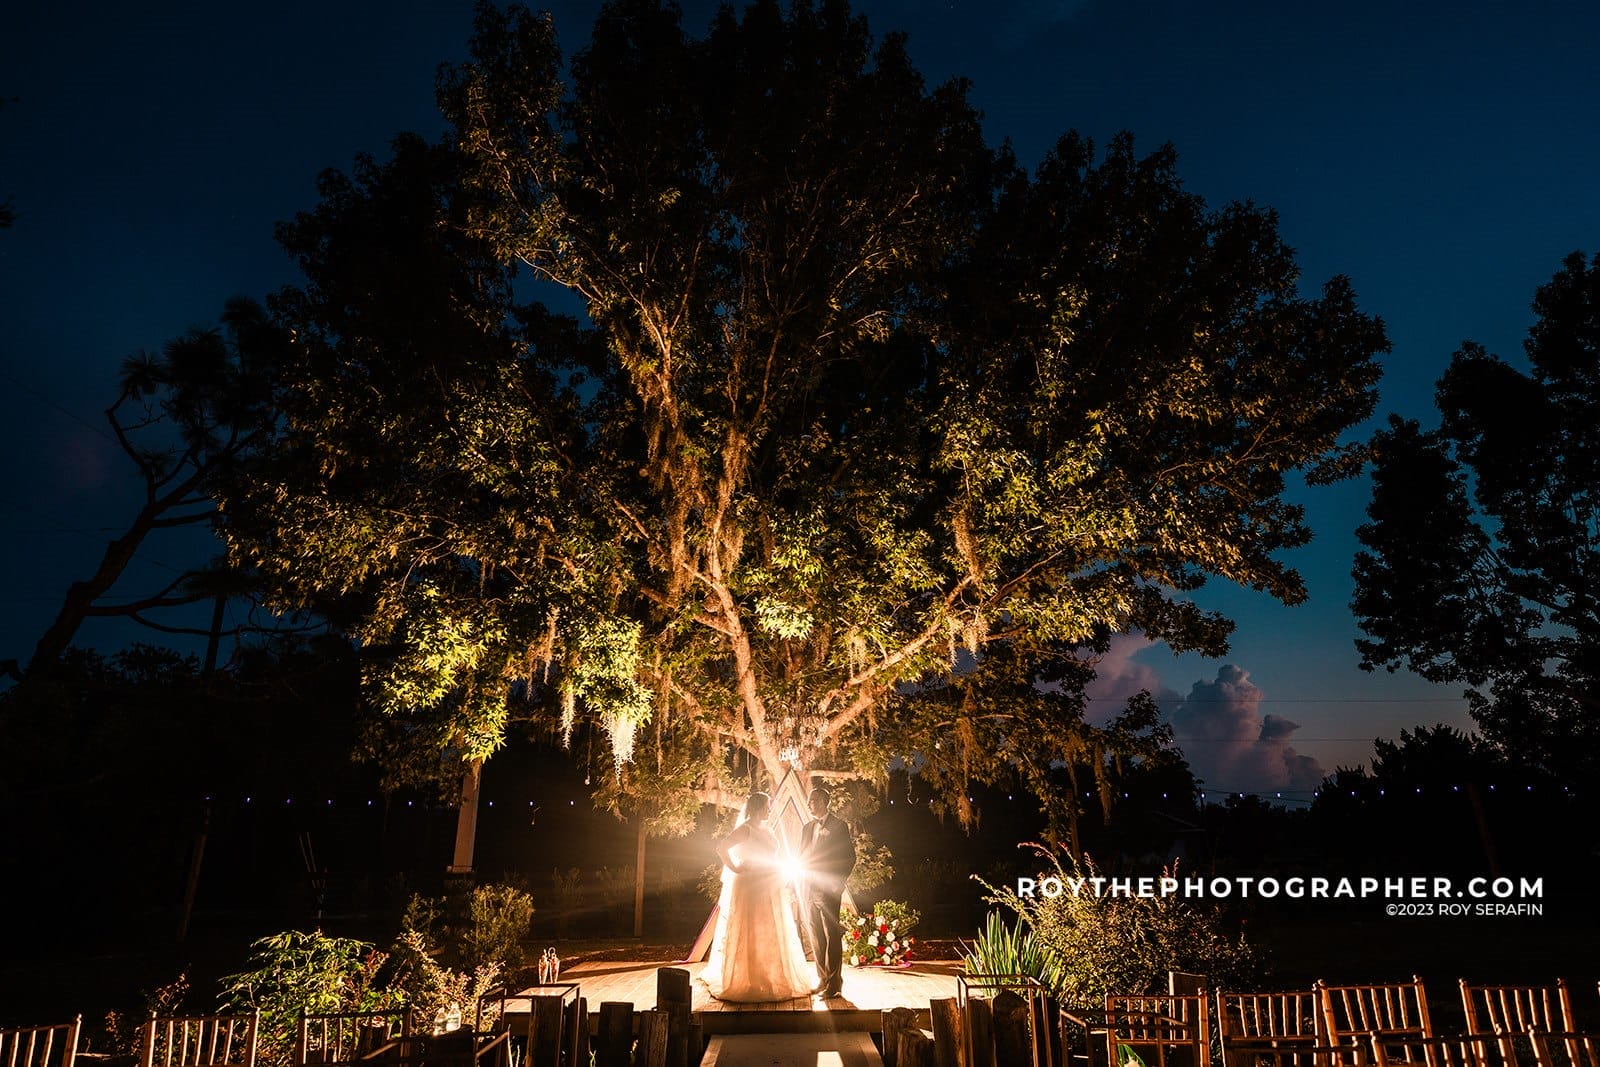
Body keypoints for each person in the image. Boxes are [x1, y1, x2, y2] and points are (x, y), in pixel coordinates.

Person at [700, 792, 817, 1002]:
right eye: (768, 805)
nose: (770, 809)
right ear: (757, 807)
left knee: (770, 929)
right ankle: (750, 979)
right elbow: (721, 848)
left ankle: (771, 977)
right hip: (750, 885)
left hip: (770, 883)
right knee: (751, 930)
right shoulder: (745, 829)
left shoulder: (767, 829)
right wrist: (735, 867)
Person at [799, 785, 856, 999]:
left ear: (823, 801)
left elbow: (849, 857)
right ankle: (822, 979)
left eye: (812, 800)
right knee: (815, 935)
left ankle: (835, 984)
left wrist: (837, 883)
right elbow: (801, 857)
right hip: (808, 889)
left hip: (829, 889)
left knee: (832, 935)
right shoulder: (807, 828)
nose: (809, 804)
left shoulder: (839, 826)